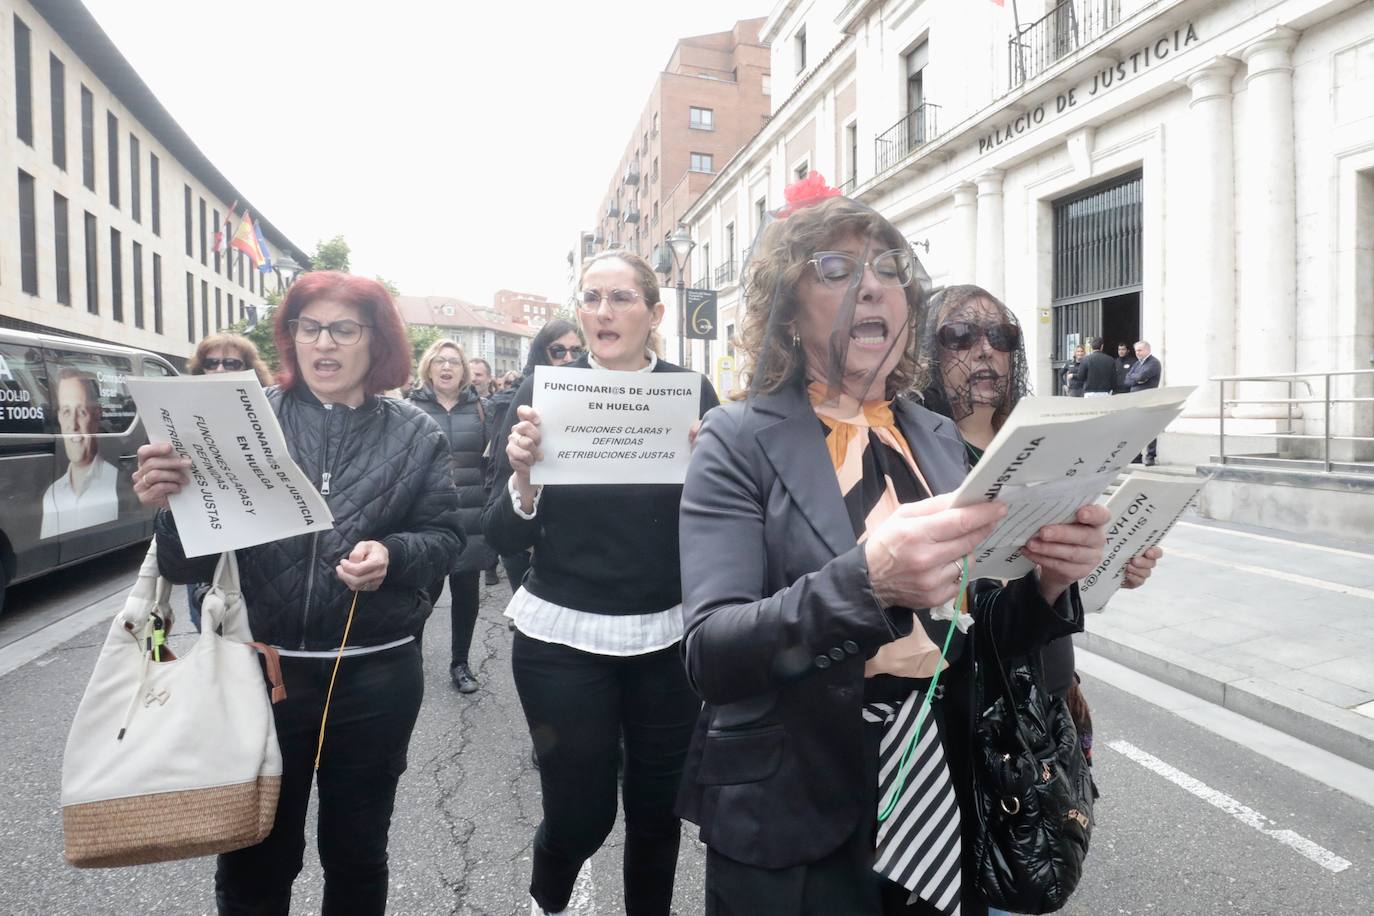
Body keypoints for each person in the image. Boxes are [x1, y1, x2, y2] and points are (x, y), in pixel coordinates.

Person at [675, 188, 1113, 916]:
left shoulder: (936, 437)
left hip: (943, 782)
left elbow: (974, 635)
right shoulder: (737, 438)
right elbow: (712, 652)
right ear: (788, 307)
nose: (872, 283)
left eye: (888, 267)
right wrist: (868, 584)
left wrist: (1046, 583)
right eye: (836, 269)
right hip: (795, 804)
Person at [133, 271, 463, 915]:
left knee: (357, 855)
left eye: (344, 328)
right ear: (290, 338)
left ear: (377, 340)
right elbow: (179, 561)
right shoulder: (239, 421)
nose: (324, 344)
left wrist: (393, 556)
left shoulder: (416, 432)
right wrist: (169, 506)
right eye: (308, 328)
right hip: (258, 672)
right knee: (255, 858)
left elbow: (446, 539)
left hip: (373, 677)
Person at [484, 252, 717, 916]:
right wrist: (524, 479)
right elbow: (501, 533)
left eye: (621, 298)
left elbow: (722, 520)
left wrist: (711, 475)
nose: (604, 312)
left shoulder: (692, 392)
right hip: (562, 637)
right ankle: (549, 903)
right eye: (591, 298)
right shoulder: (544, 390)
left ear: (655, 313)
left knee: (657, 814)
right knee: (581, 817)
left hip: (666, 640)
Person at [922, 285, 1162, 819]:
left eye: (1001, 336)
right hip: (967, 689)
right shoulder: (912, 450)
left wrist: (1117, 560)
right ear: (926, 352)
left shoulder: (1046, 444)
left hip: (1047, 679)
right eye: (960, 334)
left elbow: (1064, 565)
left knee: (1042, 840)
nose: (984, 350)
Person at [409, 339, 496, 693]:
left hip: (470, 516)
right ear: (428, 367)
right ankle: (411, 658)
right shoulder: (409, 407)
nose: (447, 367)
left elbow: (493, 462)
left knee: (465, 597)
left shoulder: (482, 409)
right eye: (440, 361)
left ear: (463, 371)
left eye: (454, 362)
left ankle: (460, 664)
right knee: (421, 595)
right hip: (425, 517)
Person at [483, 318, 585, 596]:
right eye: (558, 351)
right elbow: (502, 472)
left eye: (577, 351)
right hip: (528, 540)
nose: (568, 358)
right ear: (543, 352)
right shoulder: (525, 395)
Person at [182, 332, 275, 629]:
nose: (220, 370)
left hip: (257, 536)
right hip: (205, 535)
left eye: (231, 363)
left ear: (248, 368)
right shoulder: (180, 410)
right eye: (211, 363)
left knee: (254, 630)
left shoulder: (271, 410)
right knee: (211, 631)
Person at [40, 369, 121, 538]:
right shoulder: (52, 494)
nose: (73, 425)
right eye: (66, 411)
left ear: (97, 416)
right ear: (59, 418)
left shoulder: (117, 482)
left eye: (82, 412)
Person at [1124, 340, 1163, 464]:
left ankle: (1150, 456)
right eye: (1136, 350)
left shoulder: (1154, 363)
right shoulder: (1137, 364)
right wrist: (1137, 378)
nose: (1137, 353)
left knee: (1149, 429)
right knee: (1135, 429)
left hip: (1148, 400)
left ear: (1147, 350)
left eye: (1140, 350)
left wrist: (1136, 377)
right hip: (1136, 400)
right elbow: (1126, 380)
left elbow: (1141, 376)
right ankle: (1136, 456)